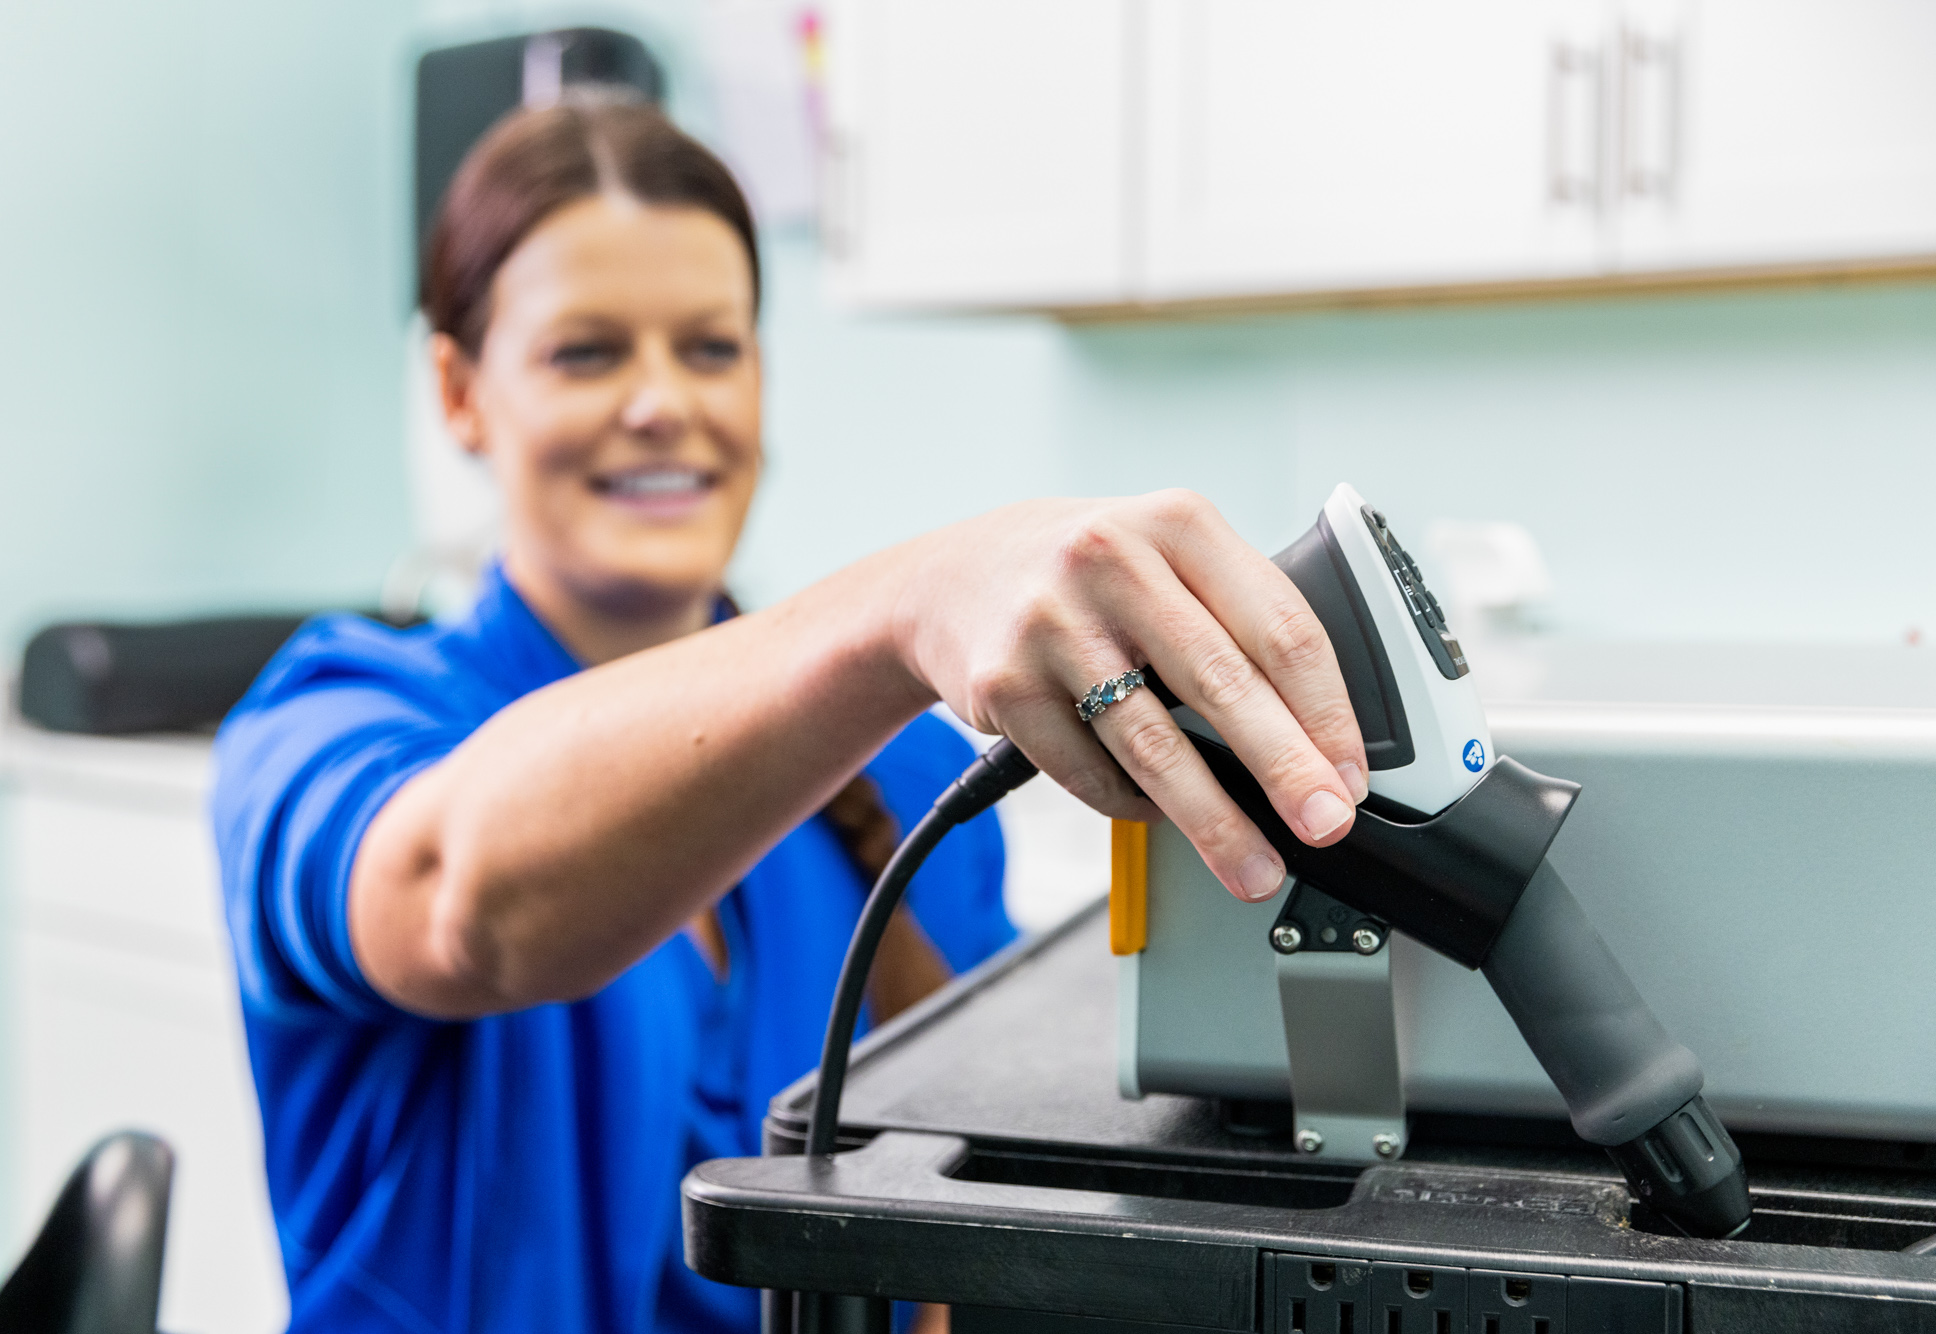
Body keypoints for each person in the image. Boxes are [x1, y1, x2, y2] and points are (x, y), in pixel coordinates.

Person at [212, 95, 1369, 1334]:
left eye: (709, 347)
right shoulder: (328, 727)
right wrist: (899, 607)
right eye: (585, 352)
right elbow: (461, 901)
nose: (660, 401)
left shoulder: (917, 774)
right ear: (457, 390)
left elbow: (955, 1235)